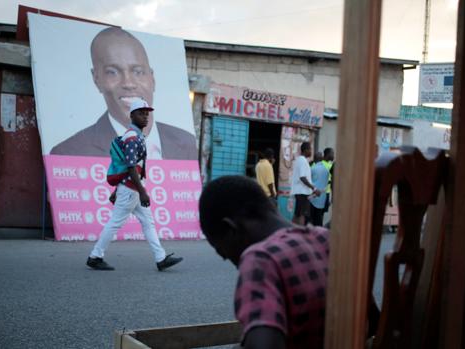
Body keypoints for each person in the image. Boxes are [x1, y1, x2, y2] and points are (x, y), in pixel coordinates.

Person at [199, 176, 329, 349]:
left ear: (230, 230)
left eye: (221, 250)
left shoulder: (261, 260)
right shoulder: (326, 238)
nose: (225, 258)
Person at [50, 27, 197, 160]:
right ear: (96, 79)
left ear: (152, 78)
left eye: (138, 72)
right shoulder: (70, 152)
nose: (128, 83)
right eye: (112, 72)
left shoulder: (187, 143)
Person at [86, 99, 183, 271]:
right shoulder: (132, 137)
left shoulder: (136, 135)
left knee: (148, 222)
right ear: (132, 115)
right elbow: (131, 167)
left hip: (131, 189)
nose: (145, 117)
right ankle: (95, 256)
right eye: (141, 113)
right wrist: (142, 192)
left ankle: (160, 258)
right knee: (115, 223)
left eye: (147, 114)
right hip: (132, 189)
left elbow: (127, 167)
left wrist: (118, 190)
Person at [290, 142, 320, 225]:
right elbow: (302, 177)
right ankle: (299, 234)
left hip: (300, 192)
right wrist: (314, 188)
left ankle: (291, 232)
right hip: (302, 193)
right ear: (306, 150)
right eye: (310, 149)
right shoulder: (303, 161)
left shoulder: (299, 160)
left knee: (297, 214)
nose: (311, 151)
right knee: (302, 215)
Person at [309, 152, 330, 227]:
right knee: (319, 219)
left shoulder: (312, 168)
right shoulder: (326, 170)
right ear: (321, 159)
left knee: (310, 220)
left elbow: (309, 183)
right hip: (322, 198)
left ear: (314, 159)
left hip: (312, 198)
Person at [321, 148, 335, 223]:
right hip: (323, 193)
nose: (333, 155)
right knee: (320, 214)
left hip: (327, 192)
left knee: (321, 213)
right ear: (328, 154)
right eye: (332, 153)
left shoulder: (330, 165)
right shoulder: (325, 165)